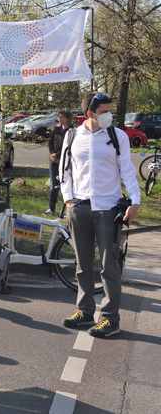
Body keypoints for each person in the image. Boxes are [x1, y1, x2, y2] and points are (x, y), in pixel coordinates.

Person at [60, 92, 140, 338]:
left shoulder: (117, 137)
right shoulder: (72, 136)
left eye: (110, 111)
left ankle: (110, 318)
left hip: (108, 208)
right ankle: (84, 312)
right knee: (83, 266)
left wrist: (135, 200)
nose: (109, 115)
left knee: (109, 267)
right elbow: (65, 170)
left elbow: (126, 169)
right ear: (90, 114)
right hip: (80, 208)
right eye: (104, 112)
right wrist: (68, 199)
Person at [46, 110, 73, 215]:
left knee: (66, 185)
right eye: (59, 117)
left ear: (67, 118)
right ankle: (51, 208)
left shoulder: (71, 131)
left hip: (65, 161)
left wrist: (58, 156)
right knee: (54, 186)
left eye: (61, 117)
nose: (60, 119)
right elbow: (50, 143)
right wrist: (53, 154)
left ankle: (68, 209)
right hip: (54, 161)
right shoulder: (56, 129)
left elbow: (68, 147)